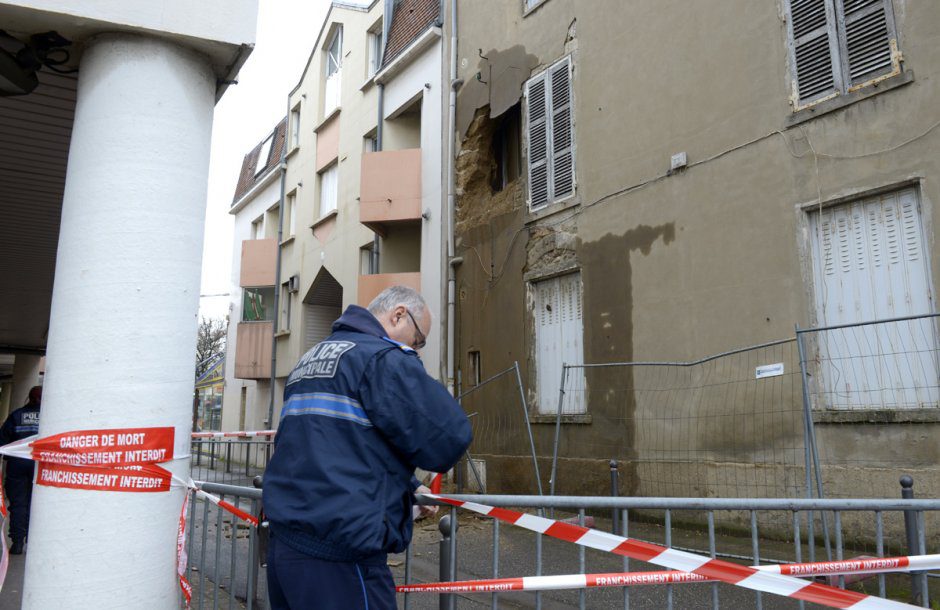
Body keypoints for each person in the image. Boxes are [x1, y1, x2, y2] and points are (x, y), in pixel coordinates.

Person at [263, 286, 471, 609]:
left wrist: (409, 486)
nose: (416, 351)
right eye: (418, 341)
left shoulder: (310, 360)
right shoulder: (379, 359)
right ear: (399, 314)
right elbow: (450, 436)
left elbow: (336, 445)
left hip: (285, 549)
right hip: (341, 564)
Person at [0, 385, 41, 555]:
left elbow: (2, 441)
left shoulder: (16, 415)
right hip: (40, 464)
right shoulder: (50, 418)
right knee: (36, 504)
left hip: (17, 464)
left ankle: (17, 543)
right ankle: (33, 543)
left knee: (18, 504)